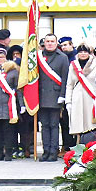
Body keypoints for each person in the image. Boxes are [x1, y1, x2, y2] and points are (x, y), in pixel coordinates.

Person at [0, 46, 23, 161]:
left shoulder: (13, 70)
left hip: (9, 105)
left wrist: (21, 104)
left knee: (9, 131)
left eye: (2, 57)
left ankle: (8, 152)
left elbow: (18, 88)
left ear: (5, 57)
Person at [38, 33, 69, 161]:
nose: (50, 43)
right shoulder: (38, 57)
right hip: (41, 96)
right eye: (48, 41)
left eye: (52, 41)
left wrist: (62, 96)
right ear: (44, 43)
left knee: (54, 125)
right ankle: (45, 150)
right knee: (44, 125)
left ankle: (53, 151)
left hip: (56, 96)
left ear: (56, 43)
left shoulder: (62, 57)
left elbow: (65, 78)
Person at [65, 43, 96, 146]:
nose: (83, 54)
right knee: (78, 126)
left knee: (92, 126)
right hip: (77, 99)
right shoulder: (73, 66)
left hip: (92, 99)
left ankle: (93, 147)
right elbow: (69, 85)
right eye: (80, 52)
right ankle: (78, 147)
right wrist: (68, 101)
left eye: (85, 52)